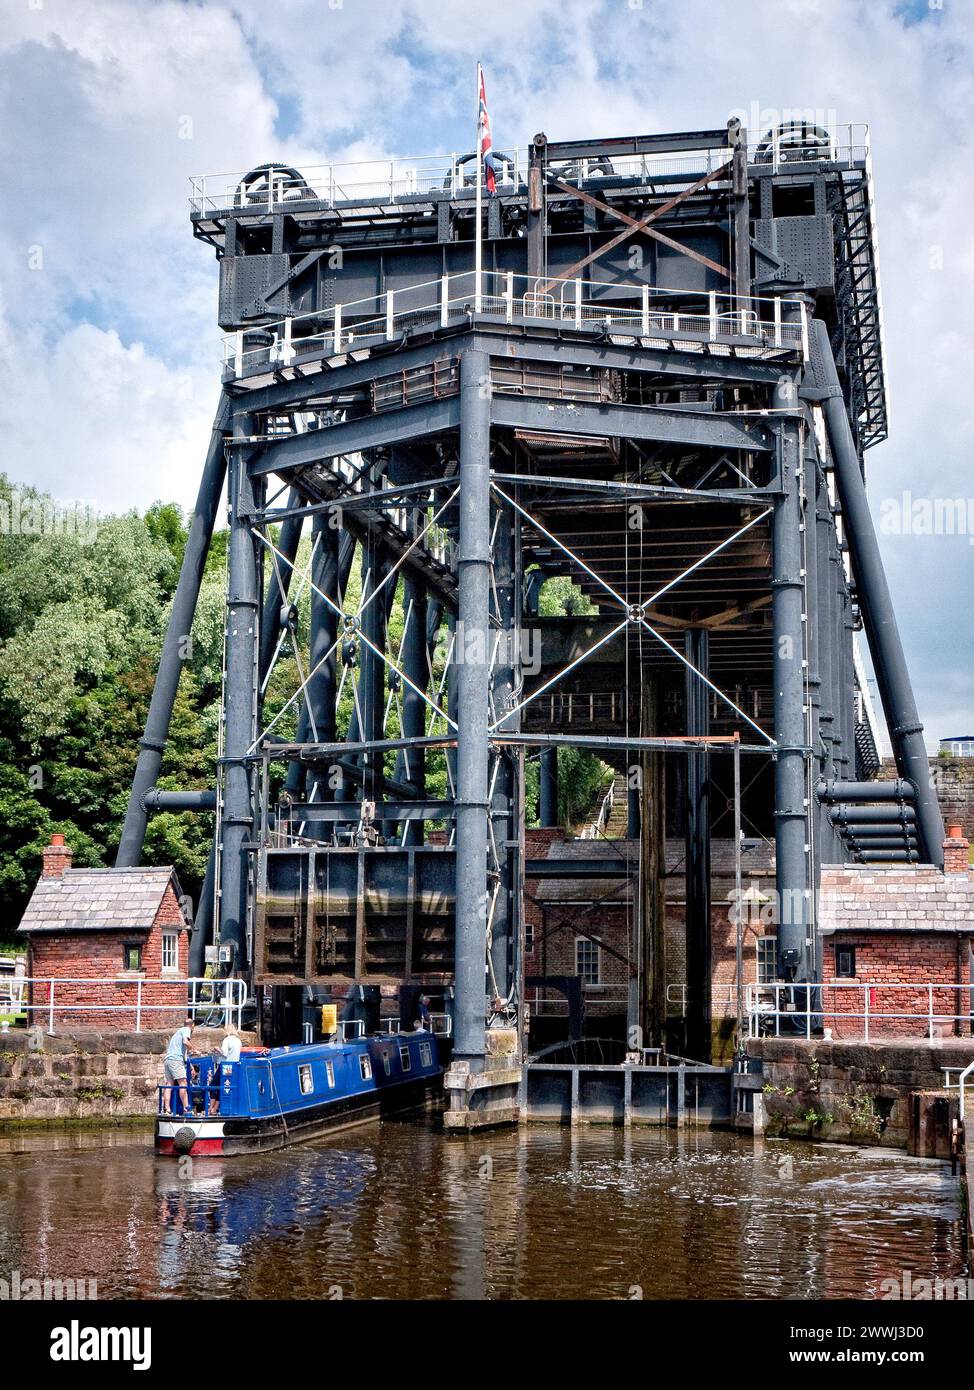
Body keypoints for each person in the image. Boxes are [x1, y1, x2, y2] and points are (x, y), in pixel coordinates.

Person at [163, 1017, 197, 1115]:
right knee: (183, 1083)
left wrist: (191, 1067)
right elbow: (186, 1042)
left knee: (169, 1084)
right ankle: (187, 1109)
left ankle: (167, 1109)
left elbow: (184, 1056)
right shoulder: (186, 1030)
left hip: (168, 1060)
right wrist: (194, 1050)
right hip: (176, 1060)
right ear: (192, 1025)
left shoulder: (177, 1033)